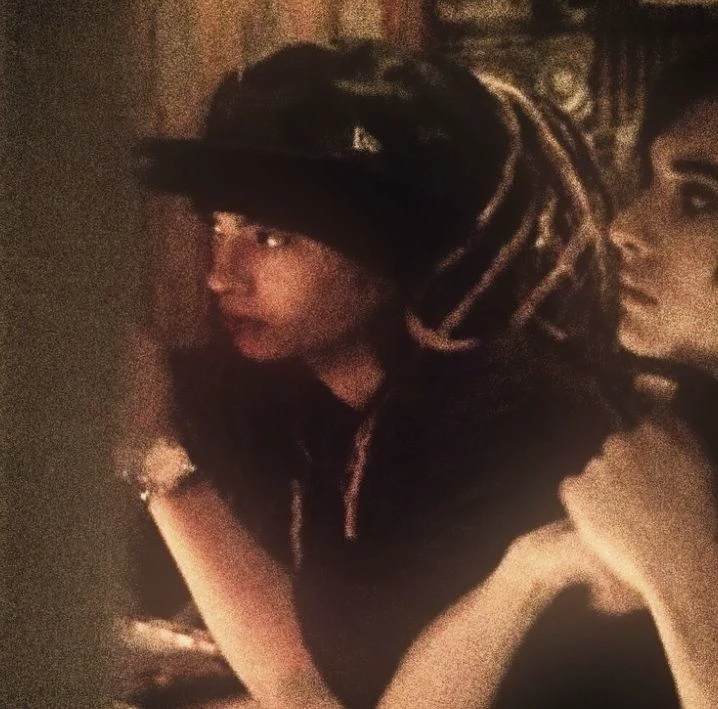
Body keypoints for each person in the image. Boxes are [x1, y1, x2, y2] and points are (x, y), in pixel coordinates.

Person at [124, 39, 669, 709]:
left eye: (270, 237)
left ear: (390, 252)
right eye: (219, 225)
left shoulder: (516, 431)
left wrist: (159, 460)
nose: (221, 273)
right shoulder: (318, 391)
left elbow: (318, 696)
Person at [559, 45, 718, 709]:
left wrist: (686, 573)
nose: (624, 227)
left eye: (700, 198)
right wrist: (528, 571)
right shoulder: (675, 435)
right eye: (649, 182)